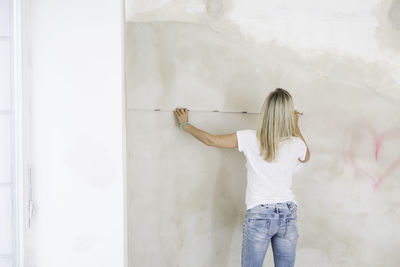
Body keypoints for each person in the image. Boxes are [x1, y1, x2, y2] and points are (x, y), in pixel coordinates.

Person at [174, 88, 310, 267]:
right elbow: (306, 156)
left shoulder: (250, 138)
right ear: (288, 115)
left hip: (260, 214)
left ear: (266, 111)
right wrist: (295, 125)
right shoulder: (296, 144)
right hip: (287, 214)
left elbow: (211, 140)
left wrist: (185, 124)